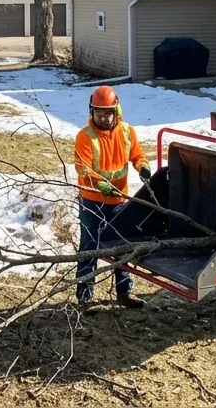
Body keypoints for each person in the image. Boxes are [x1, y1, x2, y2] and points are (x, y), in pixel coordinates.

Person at [73, 85, 152, 307]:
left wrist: (142, 165)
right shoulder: (85, 136)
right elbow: (83, 169)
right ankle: (85, 298)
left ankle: (125, 293)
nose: (104, 117)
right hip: (92, 202)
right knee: (89, 248)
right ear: (92, 111)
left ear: (116, 110)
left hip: (119, 201)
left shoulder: (127, 132)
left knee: (123, 248)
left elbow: (137, 153)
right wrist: (100, 185)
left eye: (108, 112)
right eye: (99, 112)